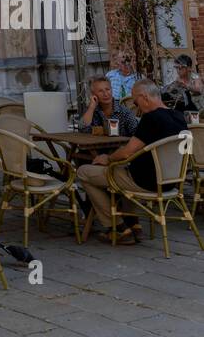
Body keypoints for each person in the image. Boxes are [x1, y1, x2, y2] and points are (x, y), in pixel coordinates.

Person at [76, 79, 188, 244]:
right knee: (123, 168)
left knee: (84, 171)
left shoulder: (150, 118)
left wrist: (108, 158)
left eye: (136, 102)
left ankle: (118, 227)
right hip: (171, 182)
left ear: (144, 97)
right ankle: (133, 223)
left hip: (144, 181)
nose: (136, 106)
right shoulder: (179, 117)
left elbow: (127, 151)